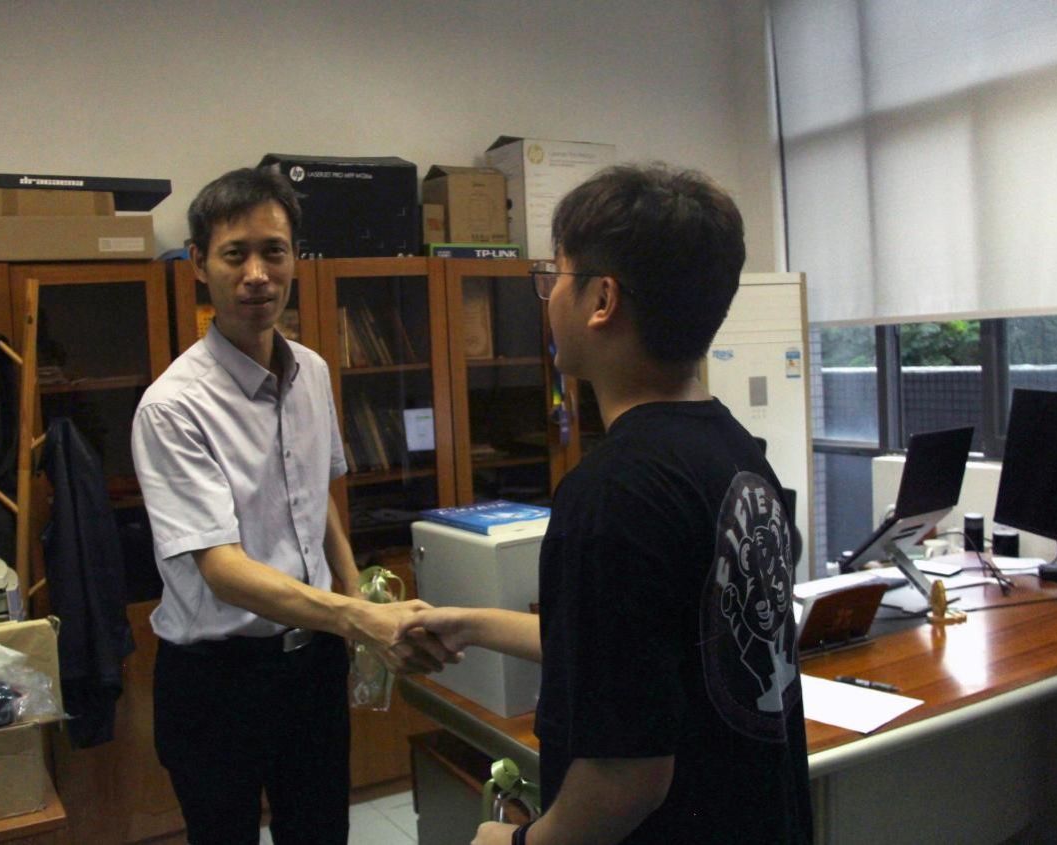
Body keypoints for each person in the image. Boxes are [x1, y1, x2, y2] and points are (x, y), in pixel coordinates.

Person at [398, 164, 812, 844]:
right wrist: (471, 624)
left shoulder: (613, 492)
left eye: (556, 274)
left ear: (601, 298)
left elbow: (626, 779)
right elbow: (642, 650)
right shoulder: (738, 454)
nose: (549, 295)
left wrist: (519, 843)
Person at [131, 167, 452, 845]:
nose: (257, 274)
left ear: (295, 259)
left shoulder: (312, 372)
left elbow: (315, 496)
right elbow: (222, 570)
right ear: (199, 264)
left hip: (310, 665)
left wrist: (353, 587)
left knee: (320, 831)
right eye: (235, 254)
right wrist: (356, 616)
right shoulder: (173, 407)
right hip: (216, 679)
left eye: (273, 251)